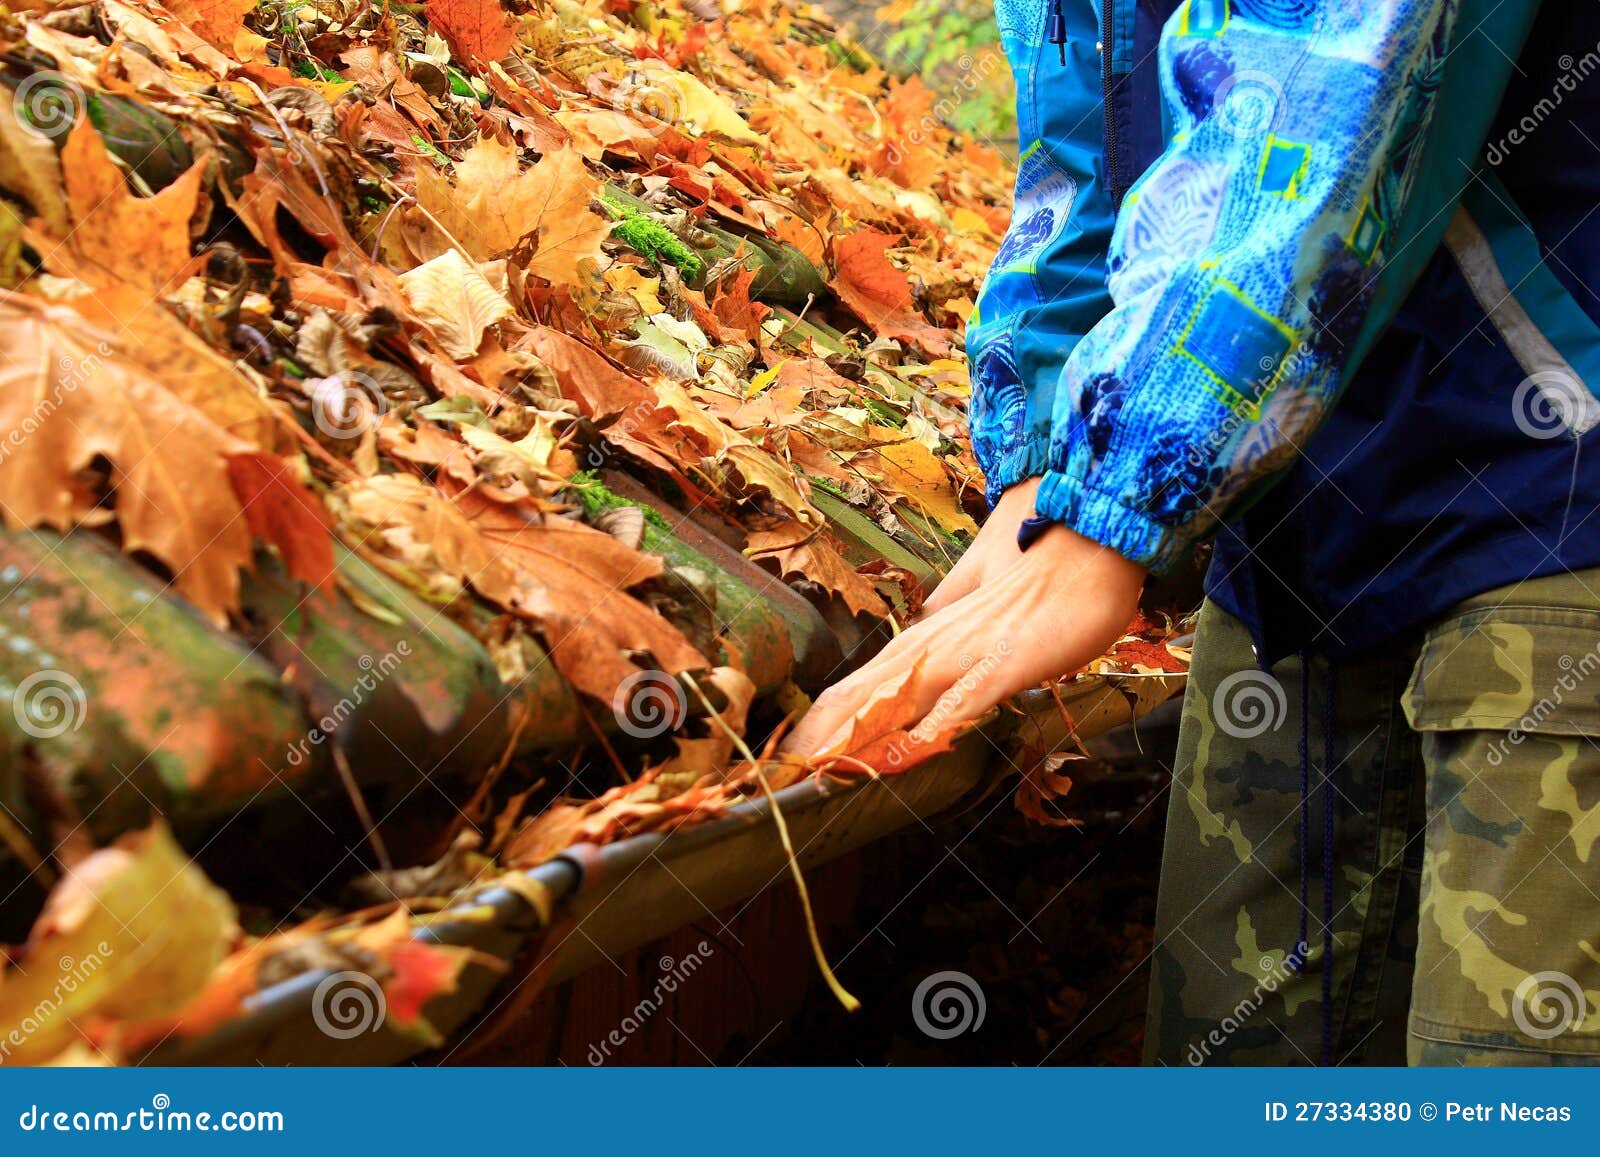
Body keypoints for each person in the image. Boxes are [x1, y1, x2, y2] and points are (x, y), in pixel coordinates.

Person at [785, 0, 1600, 1065]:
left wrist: (1122, 491)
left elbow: (1316, 71)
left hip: (1554, 466)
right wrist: (1042, 450)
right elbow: (1083, 110)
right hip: (1289, 520)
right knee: (1221, 1051)